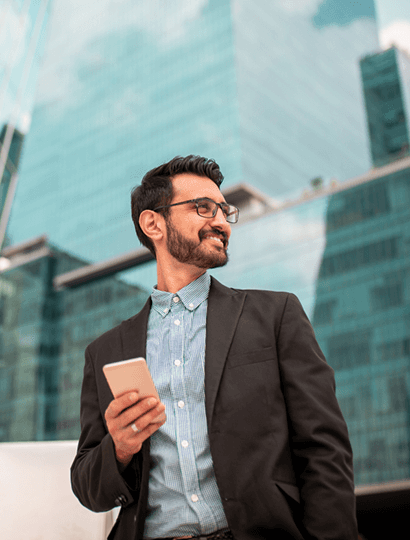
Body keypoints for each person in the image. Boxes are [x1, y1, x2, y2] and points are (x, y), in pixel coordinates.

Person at [70, 156, 356, 540]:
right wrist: (119, 448)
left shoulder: (276, 315)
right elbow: (88, 488)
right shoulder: (106, 352)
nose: (221, 222)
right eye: (203, 208)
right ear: (153, 223)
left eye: (224, 211)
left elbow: (324, 450)